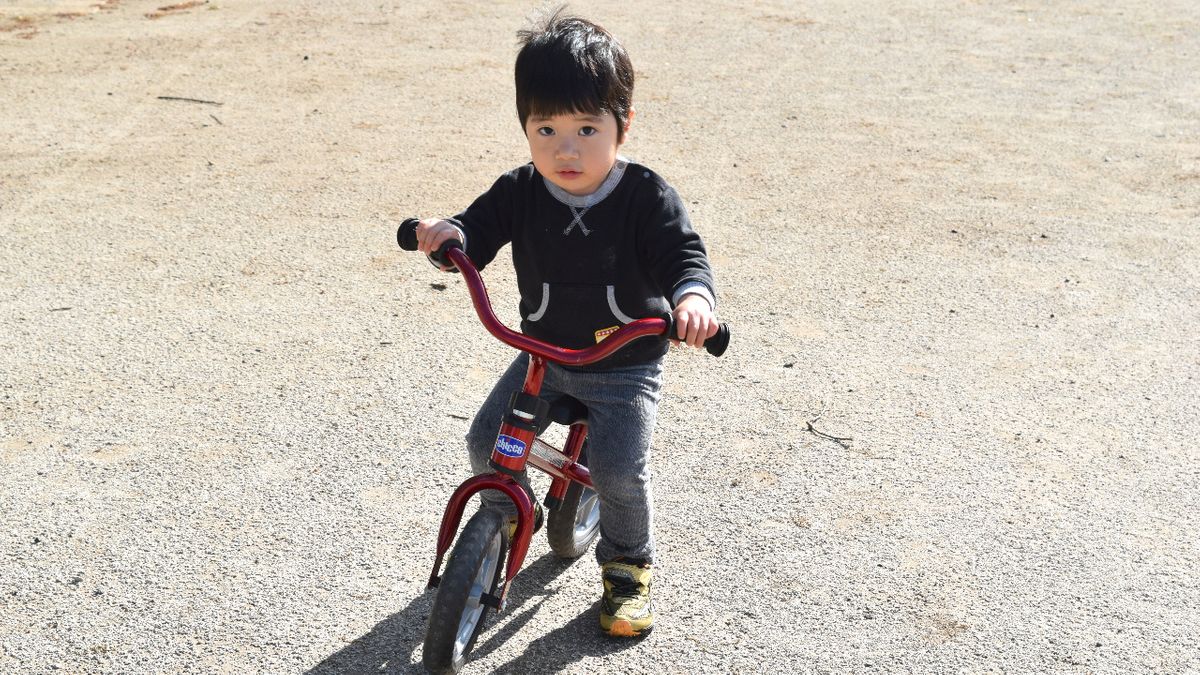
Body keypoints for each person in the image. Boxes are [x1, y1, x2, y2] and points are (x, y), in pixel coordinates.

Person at [412, 8, 718, 637]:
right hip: (542, 357)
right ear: (524, 126)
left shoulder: (645, 197)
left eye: (586, 127)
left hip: (623, 365)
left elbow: (683, 257)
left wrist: (692, 301)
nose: (565, 148)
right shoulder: (521, 189)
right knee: (486, 440)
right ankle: (498, 519)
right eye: (545, 128)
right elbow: (480, 227)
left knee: (619, 473)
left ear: (622, 126)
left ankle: (628, 566)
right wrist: (452, 237)